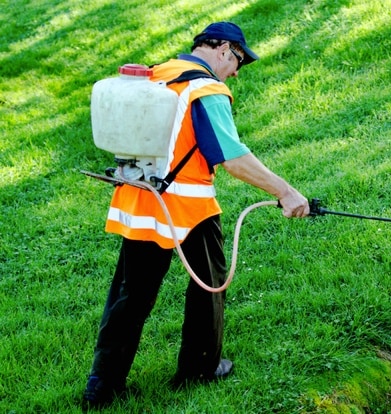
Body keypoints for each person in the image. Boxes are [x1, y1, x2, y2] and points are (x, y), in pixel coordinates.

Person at [83, 21, 309, 408]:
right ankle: (200, 369)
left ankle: (101, 386)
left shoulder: (160, 73)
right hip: (188, 206)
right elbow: (232, 156)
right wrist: (286, 192)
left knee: (130, 294)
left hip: (141, 199)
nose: (237, 72)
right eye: (238, 60)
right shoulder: (206, 88)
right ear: (222, 49)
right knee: (210, 284)